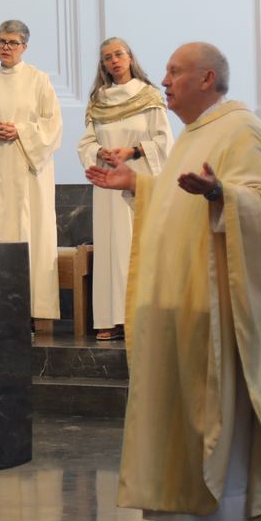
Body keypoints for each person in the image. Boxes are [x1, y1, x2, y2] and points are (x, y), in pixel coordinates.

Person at [86, 41, 261, 521]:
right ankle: (212, 520)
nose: (163, 80)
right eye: (165, 71)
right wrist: (139, 185)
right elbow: (174, 201)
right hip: (186, 304)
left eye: (174, 72)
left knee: (224, 413)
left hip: (223, 308)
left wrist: (222, 196)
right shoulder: (193, 134)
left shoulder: (241, 129)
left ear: (206, 79)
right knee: (198, 414)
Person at [0, 20, 62, 323]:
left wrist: (20, 130)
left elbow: (52, 125)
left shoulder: (39, 80)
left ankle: (33, 311)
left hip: (28, 171)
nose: (5, 48)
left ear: (24, 47)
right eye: (1, 42)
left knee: (31, 233)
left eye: (12, 43)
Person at [77, 38, 171, 341]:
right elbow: (87, 142)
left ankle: (137, 316)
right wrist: (100, 153)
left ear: (130, 57)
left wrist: (131, 151)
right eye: (107, 58)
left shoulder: (148, 95)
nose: (114, 61)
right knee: (109, 249)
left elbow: (164, 140)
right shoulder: (99, 100)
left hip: (137, 180)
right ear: (102, 65)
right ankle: (110, 317)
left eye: (119, 54)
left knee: (134, 247)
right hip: (107, 185)